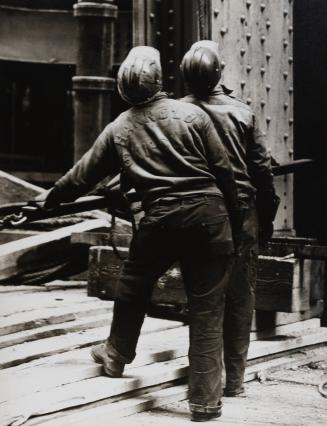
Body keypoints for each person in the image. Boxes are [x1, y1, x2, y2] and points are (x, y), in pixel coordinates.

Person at [38, 46, 243, 422]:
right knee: (207, 310)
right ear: (158, 80)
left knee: (133, 285)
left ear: (123, 88)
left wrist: (47, 201)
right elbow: (224, 172)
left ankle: (116, 354)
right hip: (209, 217)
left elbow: (81, 177)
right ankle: (204, 403)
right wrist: (235, 221)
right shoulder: (193, 114)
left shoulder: (120, 127)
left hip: (162, 220)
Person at [180, 40, 279, 397]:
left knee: (204, 299)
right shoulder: (242, 113)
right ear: (220, 72)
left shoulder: (177, 112)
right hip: (241, 216)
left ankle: (204, 385)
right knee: (240, 298)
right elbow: (263, 174)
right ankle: (234, 384)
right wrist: (265, 219)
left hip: (198, 215)